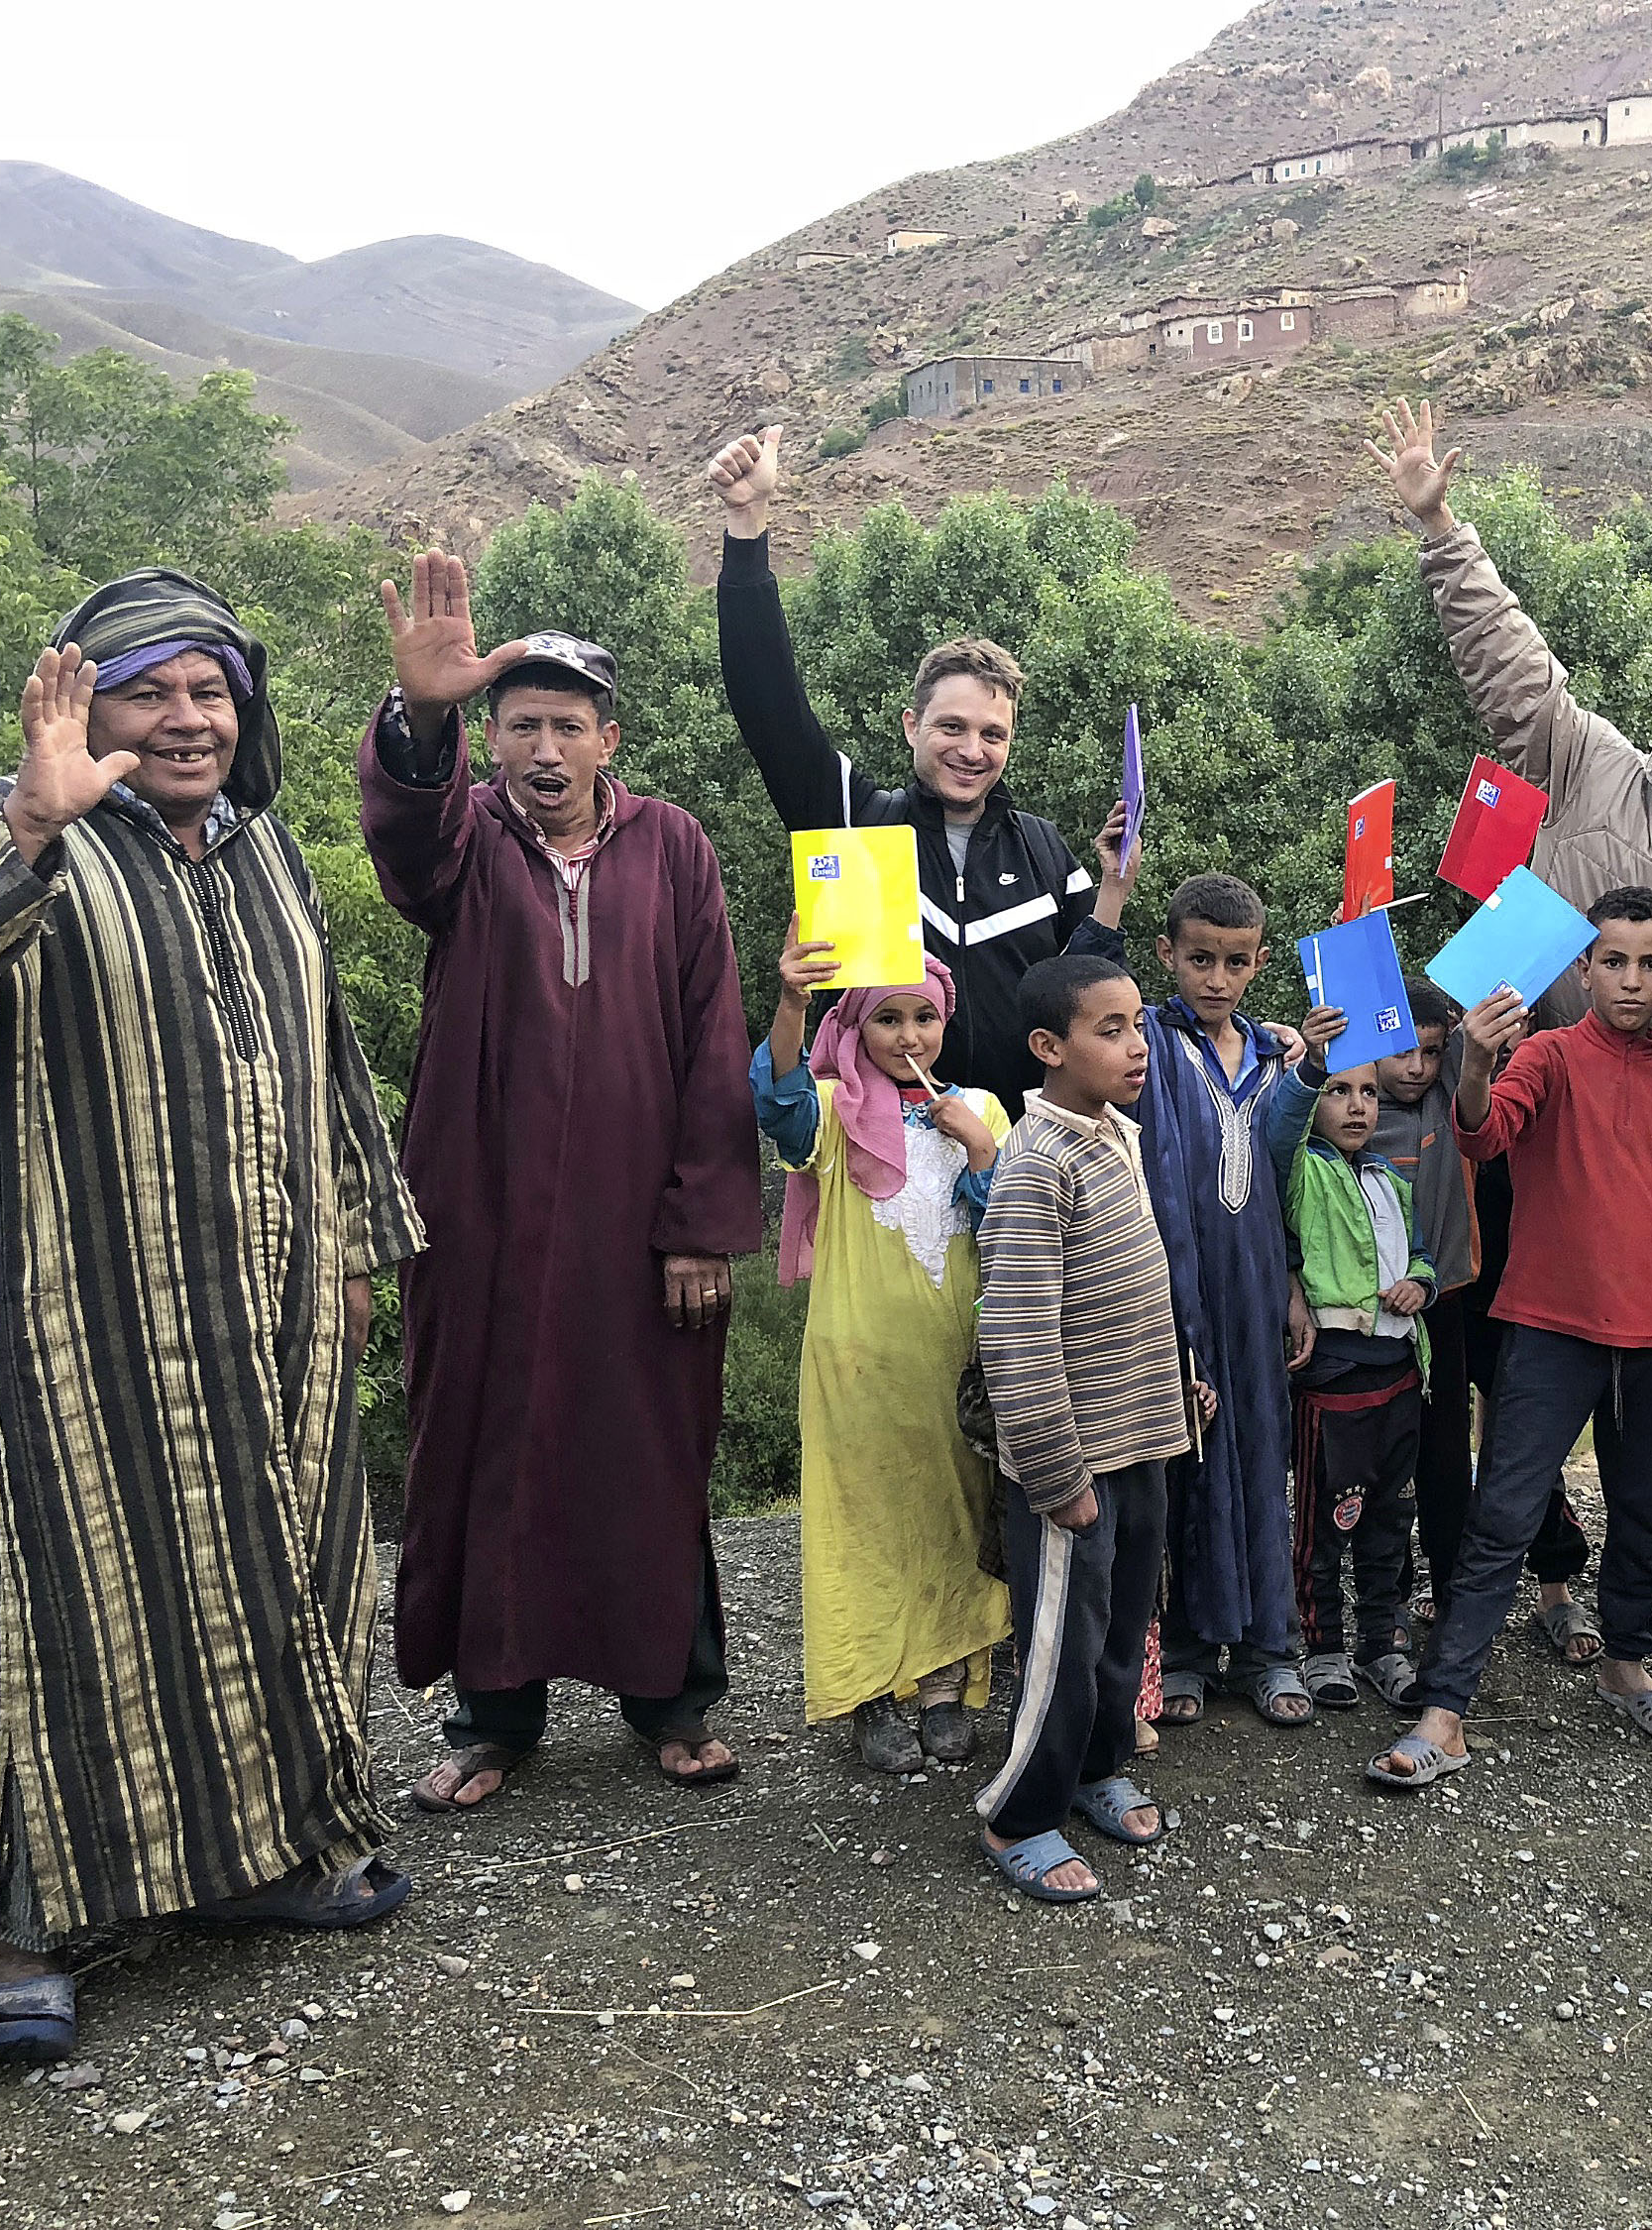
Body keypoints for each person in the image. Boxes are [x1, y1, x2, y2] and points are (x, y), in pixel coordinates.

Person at [0, 572, 425, 2063]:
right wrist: (30, 830)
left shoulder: (266, 850)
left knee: (288, 1575)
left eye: (210, 690)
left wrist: (360, 1244)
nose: (186, 719)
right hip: (91, 1315)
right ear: (86, 707)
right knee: (85, 1602)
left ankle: (271, 1859)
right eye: (149, 690)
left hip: (281, 1305)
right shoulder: (20, 829)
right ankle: (35, 1924)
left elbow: (331, 1057)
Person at [361, 555, 765, 1813]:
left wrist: (700, 1224)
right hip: (484, 1209)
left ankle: (673, 1699)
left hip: (638, 1222)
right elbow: (404, 846)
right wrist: (420, 718)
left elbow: (713, 1033)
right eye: (519, 723)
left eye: (566, 724)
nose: (544, 745)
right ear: (492, 741)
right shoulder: (466, 840)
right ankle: (493, 1721)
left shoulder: (675, 847)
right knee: (489, 1437)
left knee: (647, 1448)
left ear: (608, 740)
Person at [1370, 394, 1652, 1627]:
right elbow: (1508, 659)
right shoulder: (1585, 757)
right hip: (1514, 1091)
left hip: (1643, 1135)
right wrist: (1440, 523)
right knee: (1501, 1337)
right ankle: (1535, 1545)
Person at [1369, 889, 1652, 1790]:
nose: (1633, 980)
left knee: (1641, 1508)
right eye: (1614, 961)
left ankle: (1627, 1662)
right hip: (1546, 1324)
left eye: (1651, 963)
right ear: (1583, 968)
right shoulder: (1550, 1056)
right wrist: (1476, 1062)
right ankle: (1446, 1708)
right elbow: (1484, 1134)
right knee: (1504, 1514)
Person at [707, 426, 1134, 1109]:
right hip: (884, 1167)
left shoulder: (1046, 850)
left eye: (993, 733)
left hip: (1015, 1165)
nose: (972, 749)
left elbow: (1096, 1003)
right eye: (951, 727)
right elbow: (769, 709)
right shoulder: (855, 819)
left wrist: (1113, 896)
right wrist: (747, 524)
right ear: (912, 726)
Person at [753, 931, 1015, 1773]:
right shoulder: (832, 1110)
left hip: (957, 1360)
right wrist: (794, 998)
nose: (910, 1036)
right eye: (888, 1019)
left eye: (926, 1017)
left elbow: (1008, 1220)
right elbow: (778, 1104)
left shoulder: (985, 1108)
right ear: (857, 1027)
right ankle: (869, 1693)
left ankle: (942, 1686)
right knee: (864, 1518)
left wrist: (978, 1144)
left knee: (955, 1511)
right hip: (858, 1362)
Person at [972, 954, 1202, 1901]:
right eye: (1110, 1030)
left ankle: (1101, 1768)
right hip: (1074, 1462)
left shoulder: (1116, 1136)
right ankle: (1021, 1812)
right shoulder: (1035, 1165)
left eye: (1138, 1024)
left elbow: (1132, 1289)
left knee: (1119, 1627)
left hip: (1141, 1436)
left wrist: (1180, 1384)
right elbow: (1017, 1333)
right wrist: (1055, 1476)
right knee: (1062, 1641)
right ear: (1048, 1048)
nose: (1137, 1045)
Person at [1136, 874, 1309, 1731]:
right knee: (1192, 1460)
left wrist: (1293, 1287)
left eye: (1235, 963)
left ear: (1258, 963)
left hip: (1258, 1285)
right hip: (1181, 1284)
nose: (1215, 978)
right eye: (1198, 958)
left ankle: (1274, 1649)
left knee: (1263, 1455)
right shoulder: (1151, 1047)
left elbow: (1290, 1180)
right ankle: (1196, 1651)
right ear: (1168, 955)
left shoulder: (1277, 1058)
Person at [1265, 1010, 1437, 1712]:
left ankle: (1379, 1645)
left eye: (1367, 1092)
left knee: (1390, 1520)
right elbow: (1279, 1137)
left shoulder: (1391, 1183)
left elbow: (1421, 1253)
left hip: (1399, 1377)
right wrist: (1308, 1068)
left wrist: (1419, 1284)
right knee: (1324, 1522)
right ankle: (1324, 1646)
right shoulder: (1302, 1169)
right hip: (1333, 1379)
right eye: (1339, 1090)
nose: (1357, 1104)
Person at [1366, 983, 1480, 1617]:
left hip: (1445, 1301)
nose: (1416, 1068)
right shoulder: (1348, 1108)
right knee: (1382, 1458)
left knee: (1444, 1452)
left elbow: (1476, 1043)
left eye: (1431, 1053)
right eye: (1402, 1054)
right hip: (1370, 1310)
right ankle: (1388, 1596)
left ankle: (1450, 1585)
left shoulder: (1447, 1095)